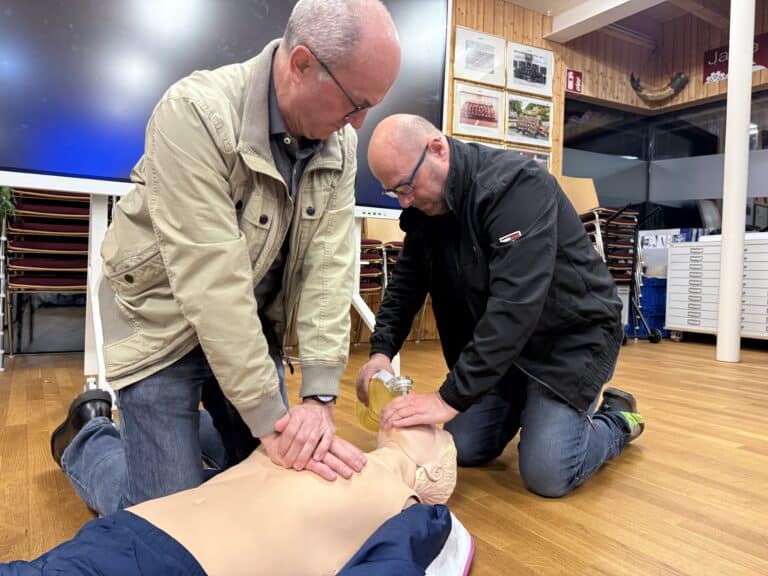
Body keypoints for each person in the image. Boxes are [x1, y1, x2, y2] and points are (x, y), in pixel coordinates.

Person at [50, 0, 402, 516]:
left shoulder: (340, 144)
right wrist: (269, 420)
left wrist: (320, 398)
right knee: (168, 518)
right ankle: (90, 434)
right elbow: (213, 285)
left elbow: (328, 269)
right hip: (161, 319)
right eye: (355, 104)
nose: (359, 123)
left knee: (276, 489)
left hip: (249, 327)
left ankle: (174, 437)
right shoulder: (194, 113)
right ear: (301, 64)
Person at [356, 114, 645, 498]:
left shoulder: (516, 186)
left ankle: (617, 419)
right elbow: (406, 285)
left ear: (437, 150)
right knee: (466, 448)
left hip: (570, 339)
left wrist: (447, 398)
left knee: (548, 473)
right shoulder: (427, 208)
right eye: (395, 193)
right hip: (511, 351)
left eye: (406, 187)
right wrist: (381, 352)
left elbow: (515, 306)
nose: (404, 201)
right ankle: (532, 405)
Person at [5, 426, 459, 576]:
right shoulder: (316, 442)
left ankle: (89, 434)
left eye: (431, 430)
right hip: (130, 535)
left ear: (434, 472)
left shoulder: (410, 509)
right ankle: (91, 434)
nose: (414, 415)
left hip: (167, 562)